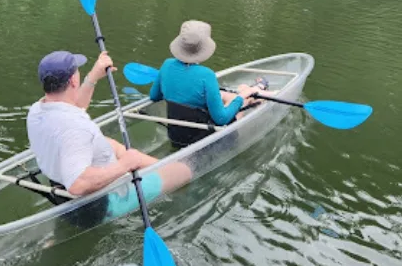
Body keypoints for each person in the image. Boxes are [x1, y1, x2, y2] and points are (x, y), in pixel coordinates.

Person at [26, 50, 193, 224]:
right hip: (101, 204)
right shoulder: (76, 130)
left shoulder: (38, 109)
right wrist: (125, 165)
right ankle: (171, 169)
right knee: (185, 172)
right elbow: (78, 184)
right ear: (72, 80)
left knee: (110, 144)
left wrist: (93, 76)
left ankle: (159, 166)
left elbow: (75, 107)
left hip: (60, 191)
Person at [148, 20, 276, 147]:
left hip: (176, 136)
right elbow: (221, 120)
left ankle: (256, 90)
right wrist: (241, 97)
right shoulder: (206, 75)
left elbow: (154, 96)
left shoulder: (166, 65)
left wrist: (171, 85)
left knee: (223, 94)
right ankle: (257, 92)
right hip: (203, 138)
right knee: (242, 98)